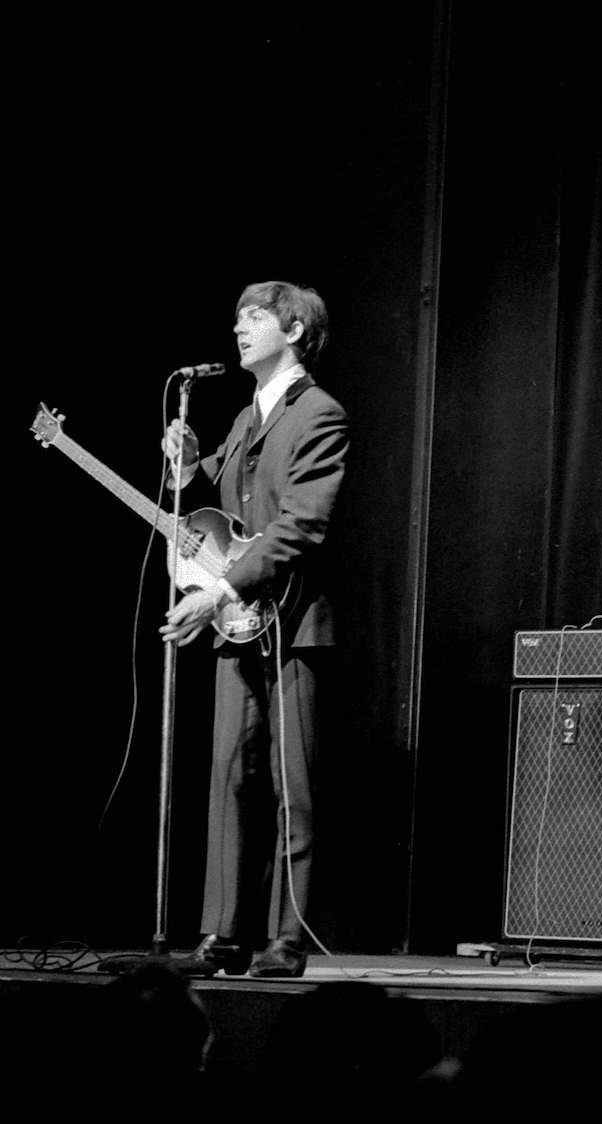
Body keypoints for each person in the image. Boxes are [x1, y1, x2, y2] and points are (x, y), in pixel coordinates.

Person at [161, 281, 348, 979]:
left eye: (255, 316)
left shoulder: (320, 415)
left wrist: (216, 591)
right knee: (226, 776)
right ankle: (222, 935)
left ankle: (287, 940)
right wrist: (184, 463)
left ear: (294, 330)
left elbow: (301, 524)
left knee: (291, 784)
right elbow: (207, 487)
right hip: (238, 623)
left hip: (292, 621)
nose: (239, 327)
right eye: (237, 316)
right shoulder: (246, 417)